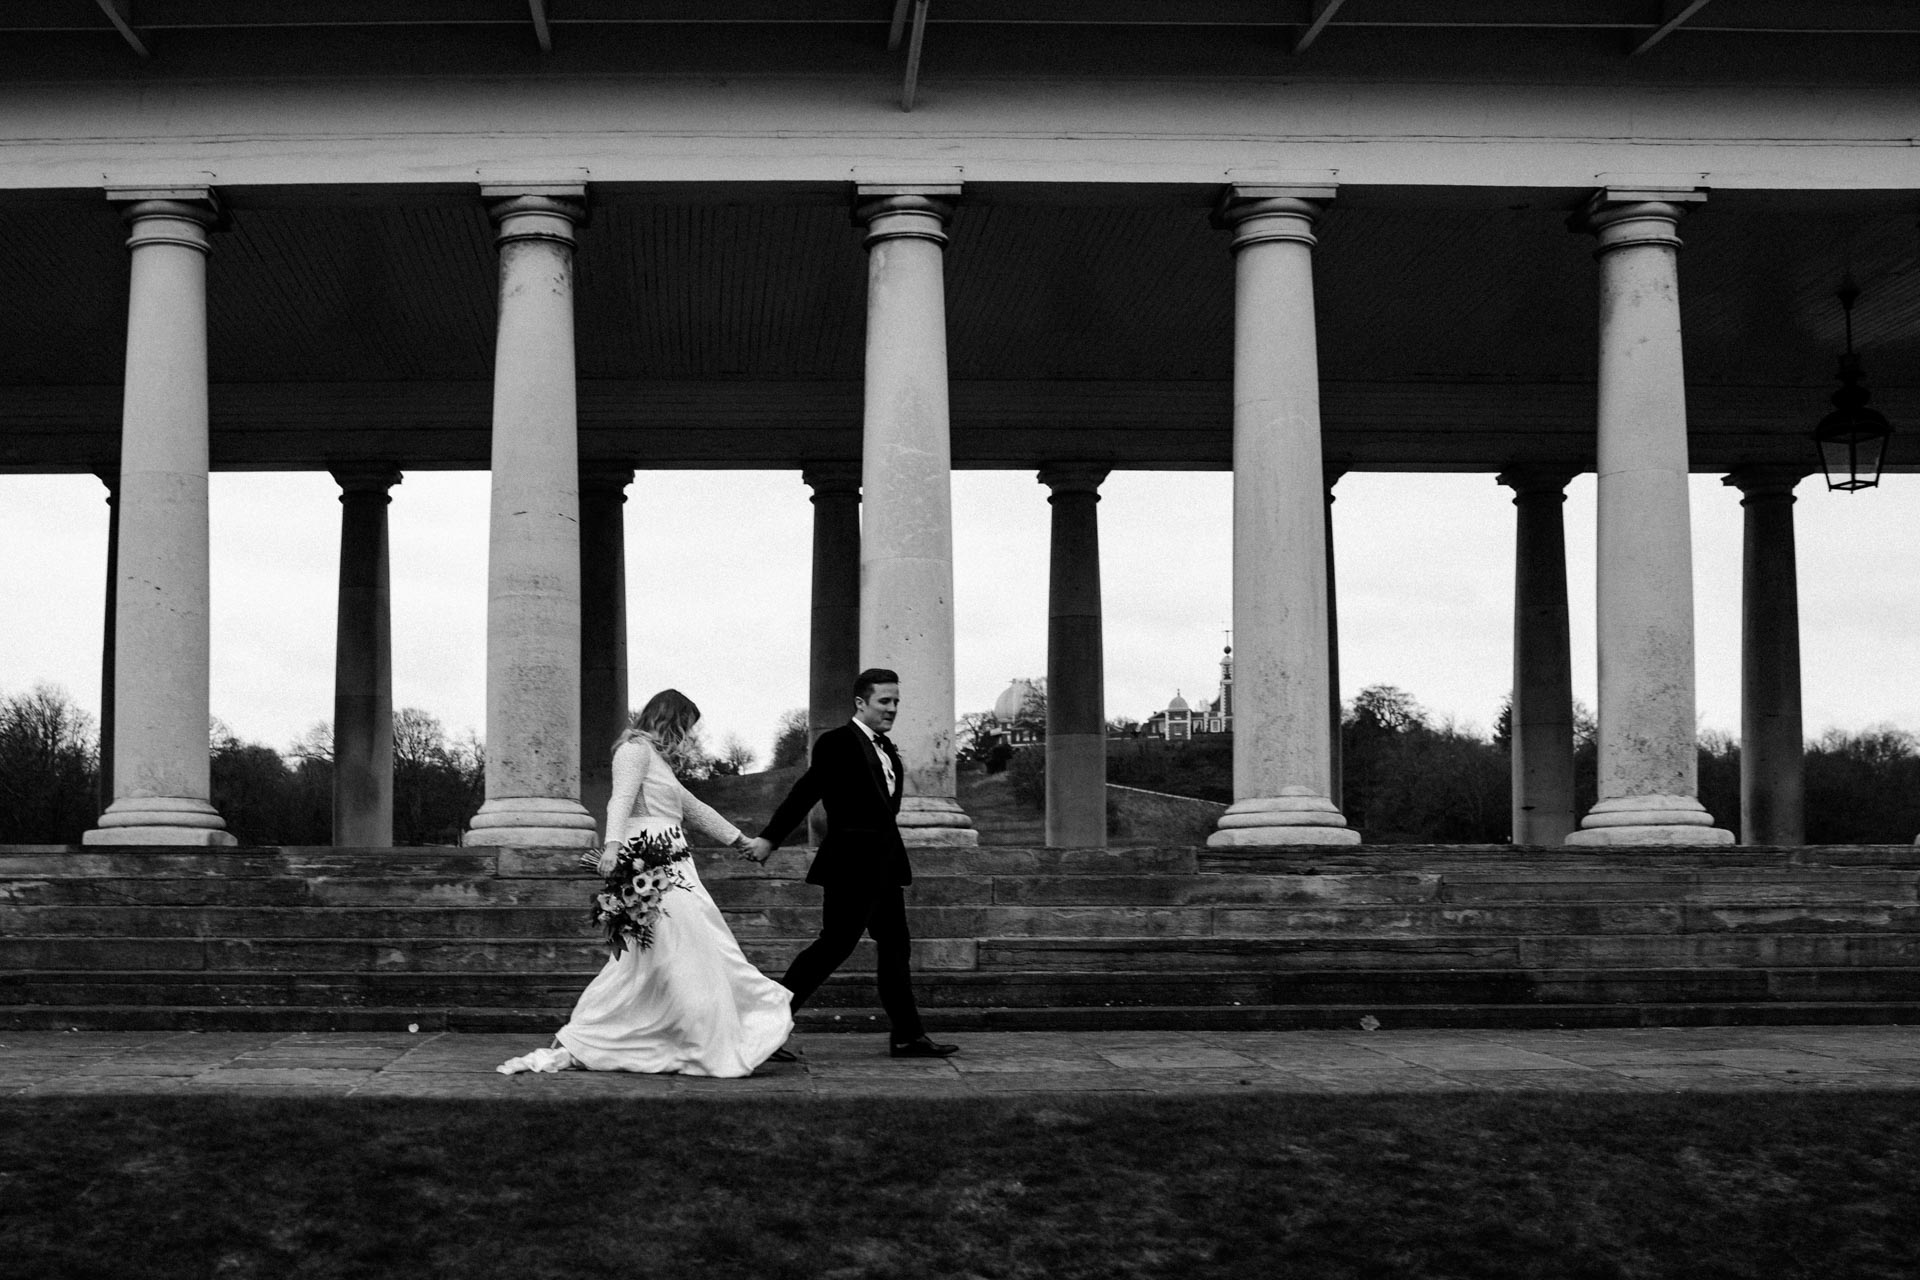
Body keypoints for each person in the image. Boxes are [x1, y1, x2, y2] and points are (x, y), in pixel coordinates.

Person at [498, 689, 793, 1078]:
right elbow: (619, 800)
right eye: (684, 727)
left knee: (689, 946)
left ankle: (682, 1033)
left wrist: (740, 841)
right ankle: (602, 1036)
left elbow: (694, 809)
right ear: (668, 720)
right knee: (671, 951)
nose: (686, 737)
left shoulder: (659, 763)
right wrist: (612, 847)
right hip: (650, 862)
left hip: (675, 863)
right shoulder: (634, 751)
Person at [745, 668, 958, 1059]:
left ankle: (908, 1036)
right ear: (861, 703)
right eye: (884, 701)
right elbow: (806, 791)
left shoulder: (888, 749)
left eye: (896, 702)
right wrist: (770, 838)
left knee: (896, 947)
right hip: (851, 864)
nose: (893, 709)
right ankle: (763, 1031)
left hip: (886, 866)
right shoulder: (837, 743)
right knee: (834, 946)